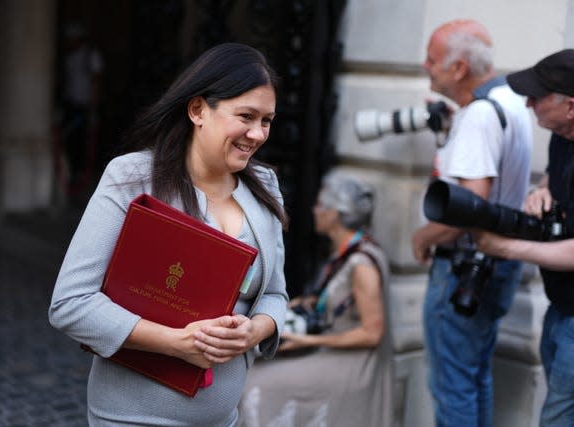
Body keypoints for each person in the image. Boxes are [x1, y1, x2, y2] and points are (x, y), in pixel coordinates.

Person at [48, 42, 289, 427]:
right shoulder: (132, 178)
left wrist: (253, 331)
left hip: (224, 419)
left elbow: (275, 294)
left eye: (267, 120)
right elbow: (71, 304)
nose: (258, 134)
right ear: (197, 110)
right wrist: (176, 344)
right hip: (131, 418)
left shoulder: (265, 185)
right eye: (246, 116)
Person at [410, 19, 533, 426]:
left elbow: (469, 207)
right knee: (474, 376)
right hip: (495, 264)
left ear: (459, 68)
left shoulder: (480, 115)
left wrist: (425, 235)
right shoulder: (510, 101)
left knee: (453, 386)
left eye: (432, 58)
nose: (425, 66)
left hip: (464, 266)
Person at [237, 172, 392, 427]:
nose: (315, 210)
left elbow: (372, 334)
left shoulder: (362, 263)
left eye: (320, 205)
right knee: (256, 371)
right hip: (333, 352)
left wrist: (306, 340)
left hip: (354, 365)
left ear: (335, 213)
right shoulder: (347, 253)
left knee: (257, 382)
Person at [475, 48, 574, 427]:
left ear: (570, 107)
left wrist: (505, 247)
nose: (528, 103)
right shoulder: (563, 135)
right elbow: (555, 175)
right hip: (560, 307)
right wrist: (542, 191)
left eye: (539, 96)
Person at [58, 22, 104, 192]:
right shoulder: (68, 57)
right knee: (70, 139)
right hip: (70, 103)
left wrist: (94, 105)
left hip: (85, 105)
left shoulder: (90, 56)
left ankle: (80, 174)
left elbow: (97, 80)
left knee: (82, 140)